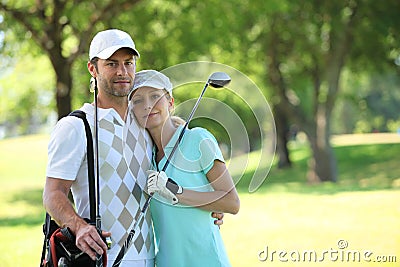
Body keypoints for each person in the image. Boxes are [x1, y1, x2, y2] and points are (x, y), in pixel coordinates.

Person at [42, 29, 223, 267]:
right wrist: (80, 227)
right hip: (102, 260)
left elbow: (177, 161)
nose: (122, 71)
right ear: (93, 69)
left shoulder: (143, 122)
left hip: (151, 258)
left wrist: (207, 204)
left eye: (128, 63)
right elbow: (53, 194)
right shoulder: (76, 127)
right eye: (111, 64)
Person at [127, 70, 240, 267]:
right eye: (137, 100)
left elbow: (231, 202)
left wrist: (176, 192)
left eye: (155, 96)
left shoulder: (197, 139)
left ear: (170, 102)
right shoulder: (144, 157)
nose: (147, 105)